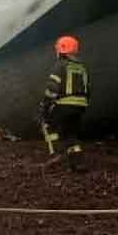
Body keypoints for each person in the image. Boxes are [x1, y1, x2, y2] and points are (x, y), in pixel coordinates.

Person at [39, 36, 90, 172]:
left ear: (61, 49)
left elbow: (52, 88)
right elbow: (88, 88)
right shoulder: (82, 67)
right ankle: (77, 164)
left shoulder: (60, 65)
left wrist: (44, 105)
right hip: (80, 106)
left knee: (47, 124)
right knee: (71, 134)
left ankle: (56, 154)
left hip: (65, 104)